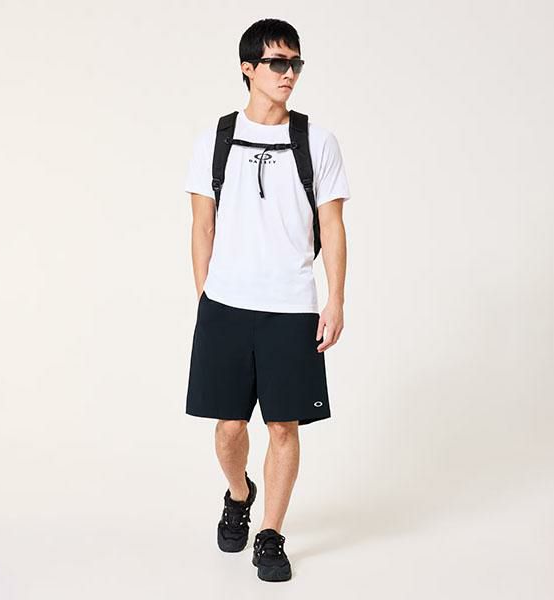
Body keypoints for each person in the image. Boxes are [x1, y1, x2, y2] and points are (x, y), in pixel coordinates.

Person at [183, 18, 351, 582]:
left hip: (292, 306)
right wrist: (206, 294)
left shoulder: (317, 142)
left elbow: (334, 226)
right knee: (229, 428)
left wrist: (335, 300)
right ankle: (239, 493)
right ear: (248, 68)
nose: (289, 74)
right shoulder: (215, 140)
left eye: (295, 63)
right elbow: (201, 223)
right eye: (278, 63)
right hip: (226, 305)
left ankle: (271, 534)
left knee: (283, 428)